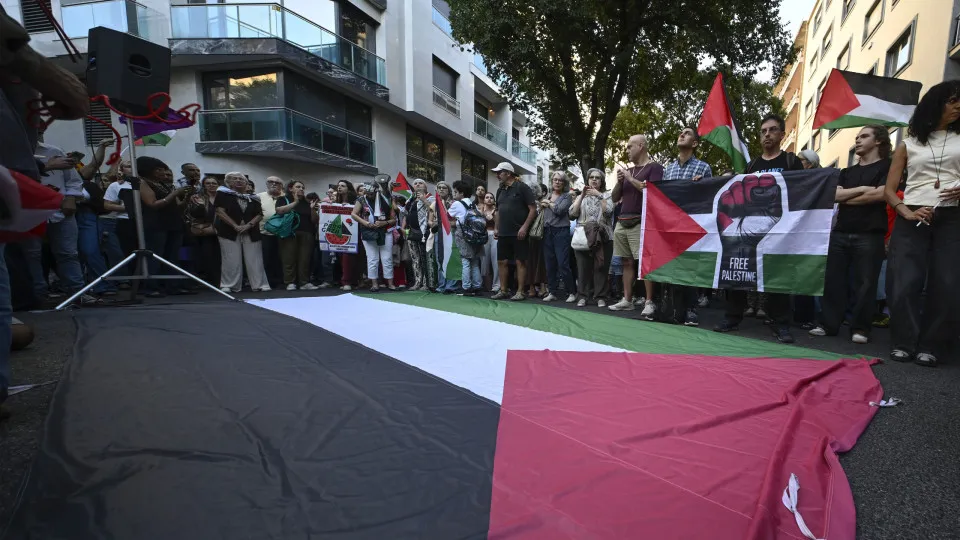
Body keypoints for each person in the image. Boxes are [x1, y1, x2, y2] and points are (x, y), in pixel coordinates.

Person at [883, 81, 960, 367]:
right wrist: (905, 211)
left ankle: (932, 345)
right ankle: (904, 342)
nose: (958, 106)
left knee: (948, 283)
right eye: (952, 100)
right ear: (936, 103)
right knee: (903, 281)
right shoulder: (909, 143)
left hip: (952, 216)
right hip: (912, 215)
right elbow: (889, 190)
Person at [712, 114, 802, 344]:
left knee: (778, 277)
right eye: (763, 131)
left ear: (782, 135)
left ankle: (781, 323)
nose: (767, 135)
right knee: (737, 267)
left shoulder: (792, 162)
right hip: (749, 228)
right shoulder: (751, 166)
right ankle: (732, 317)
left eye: (772, 130)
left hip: (781, 230)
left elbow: (803, 193)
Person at [808, 126, 891, 344]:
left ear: (879, 141)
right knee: (833, 281)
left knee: (865, 284)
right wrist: (864, 189)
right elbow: (834, 195)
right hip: (841, 232)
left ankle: (861, 329)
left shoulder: (888, 166)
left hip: (870, 234)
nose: (858, 140)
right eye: (857, 137)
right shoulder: (846, 172)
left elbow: (882, 194)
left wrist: (849, 196)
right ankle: (828, 324)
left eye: (864, 136)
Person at [659, 127, 713, 325]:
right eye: (680, 132)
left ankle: (691, 309)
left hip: (692, 224)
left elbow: (709, 197)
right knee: (673, 265)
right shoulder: (669, 169)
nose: (681, 134)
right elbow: (662, 197)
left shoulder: (703, 168)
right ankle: (674, 309)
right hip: (672, 224)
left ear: (695, 143)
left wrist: (702, 185)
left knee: (690, 266)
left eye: (687, 133)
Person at [609, 134, 664, 312]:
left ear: (641, 146)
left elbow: (651, 191)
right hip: (622, 221)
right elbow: (615, 197)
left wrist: (629, 178)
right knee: (626, 262)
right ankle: (627, 299)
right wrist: (619, 182)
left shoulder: (655, 167)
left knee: (644, 262)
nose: (627, 150)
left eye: (629, 146)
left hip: (641, 220)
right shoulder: (629, 171)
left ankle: (649, 302)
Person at [137, 157, 193, 297]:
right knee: (156, 255)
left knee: (173, 255)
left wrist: (186, 197)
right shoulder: (143, 182)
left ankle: (173, 285)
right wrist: (174, 193)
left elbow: (178, 206)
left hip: (173, 222)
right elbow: (153, 204)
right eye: (158, 169)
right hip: (156, 224)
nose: (162, 172)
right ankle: (152, 286)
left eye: (163, 169)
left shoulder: (165, 184)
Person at [214, 172, 270, 293]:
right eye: (234, 179)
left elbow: (260, 214)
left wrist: (249, 225)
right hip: (228, 231)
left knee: (255, 258)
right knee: (230, 258)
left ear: (246, 183)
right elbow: (219, 211)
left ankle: (259, 284)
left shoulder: (254, 197)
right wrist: (235, 225)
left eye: (241, 179)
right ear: (228, 182)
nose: (238, 181)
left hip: (251, 231)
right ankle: (229, 284)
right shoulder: (223, 194)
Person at [491, 162, 536, 301]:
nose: (497, 175)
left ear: (508, 173)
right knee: (501, 261)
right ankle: (503, 290)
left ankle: (520, 291)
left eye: (500, 172)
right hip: (503, 232)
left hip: (518, 232)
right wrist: (496, 227)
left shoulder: (522, 187)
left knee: (520, 261)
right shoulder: (500, 190)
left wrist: (524, 227)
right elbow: (498, 210)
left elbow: (533, 209)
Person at [570, 168, 614, 307]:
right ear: (588, 180)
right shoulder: (581, 196)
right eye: (591, 177)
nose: (594, 179)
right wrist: (582, 195)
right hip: (583, 235)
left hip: (603, 235)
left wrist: (600, 196)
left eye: (597, 178)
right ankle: (583, 295)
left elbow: (608, 211)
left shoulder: (607, 195)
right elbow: (572, 213)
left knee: (601, 267)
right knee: (583, 267)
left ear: (601, 181)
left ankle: (600, 296)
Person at [275, 180, 319, 291]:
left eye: (303, 187)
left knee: (305, 259)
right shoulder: (283, 199)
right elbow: (279, 211)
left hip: (307, 233)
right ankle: (290, 282)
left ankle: (304, 282)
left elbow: (314, 220)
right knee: (288, 258)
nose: (301, 189)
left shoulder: (307, 202)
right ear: (290, 189)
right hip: (289, 232)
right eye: (298, 187)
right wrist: (295, 201)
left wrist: (312, 208)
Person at [353, 182, 396, 291]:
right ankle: (374, 284)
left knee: (387, 258)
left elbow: (393, 219)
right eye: (367, 193)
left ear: (376, 191)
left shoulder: (386, 199)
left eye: (371, 193)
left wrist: (385, 223)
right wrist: (365, 223)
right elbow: (353, 214)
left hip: (385, 231)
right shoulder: (361, 199)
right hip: (369, 232)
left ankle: (390, 283)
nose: (369, 195)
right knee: (372, 259)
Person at [540, 171, 576, 303]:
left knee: (563, 263)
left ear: (564, 183)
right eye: (555, 179)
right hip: (547, 231)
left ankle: (571, 292)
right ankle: (552, 292)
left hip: (561, 231)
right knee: (550, 264)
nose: (557, 182)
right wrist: (542, 206)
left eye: (560, 180)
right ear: (552, 181)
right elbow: (543, 213)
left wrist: (548, 204)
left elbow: (560, 211)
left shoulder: (566, 197)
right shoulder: (548, 195)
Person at [448, 180, 484, 296]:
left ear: (461, 193)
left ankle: (466, 287)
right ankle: (477, 286)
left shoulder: (457, 204)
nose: (454, 194)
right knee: (474, 261)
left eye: (455, 192)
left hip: (463, 233)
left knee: (465, 261)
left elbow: (447, 216)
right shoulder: (473, 204)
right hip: (475, 235)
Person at [187, 175, 222, 287]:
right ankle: (210, 281)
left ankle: (220, 280)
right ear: (204, 185)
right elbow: (193, 215)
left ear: (218, 185)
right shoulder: (197, 197)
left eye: (214, 183)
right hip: (204, 231)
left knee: (220, 256)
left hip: (221, 230)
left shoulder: (223, 198)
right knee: (207, 256)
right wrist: (200, 206)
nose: (211, 185)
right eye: (208, 183)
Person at [404, 179, 434, 291]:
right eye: (415, 183)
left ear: (425, 187)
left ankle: (426, 283)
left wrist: (423, 199)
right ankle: (417, 282)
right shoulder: (410, 200)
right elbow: (406, 214)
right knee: (415, 259)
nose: (417, 185)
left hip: (424, 232)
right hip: (412, 232)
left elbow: (433, 210)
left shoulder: (431, 198)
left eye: (420, 183)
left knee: (424, 258)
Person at [257, 177, 284, 288]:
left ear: (281, 186)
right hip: (264, 233)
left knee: (281, 258)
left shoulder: (285, 197)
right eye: (271, 182)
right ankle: (267, 282)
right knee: (266, 258)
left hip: (282, 234)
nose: (274, 184)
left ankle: (280, 281)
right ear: (266, 184)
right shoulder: (258, 197)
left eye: (277, 183)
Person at [335, 180, 360, 291]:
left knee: (348, 257)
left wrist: (350, 207)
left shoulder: (356, 201)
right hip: (339, 232)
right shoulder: (336, 201)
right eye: (338, 186)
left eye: (342, 186)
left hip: (353, 232)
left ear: (348, 189)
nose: (339, 187)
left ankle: (347, 281)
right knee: (341, 256)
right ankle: (350, 280)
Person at [479, 191, 499, 291]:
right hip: (484, 236)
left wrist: (493, 219)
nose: (489, 199)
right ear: (484, 199)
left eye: (491, 197)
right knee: (484, 262)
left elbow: (499, 225)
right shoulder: (480, 210)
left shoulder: (496, 211)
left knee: (495, 261)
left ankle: (496, 285)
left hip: (494, 236)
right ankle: (485, 285)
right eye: (487, 197)